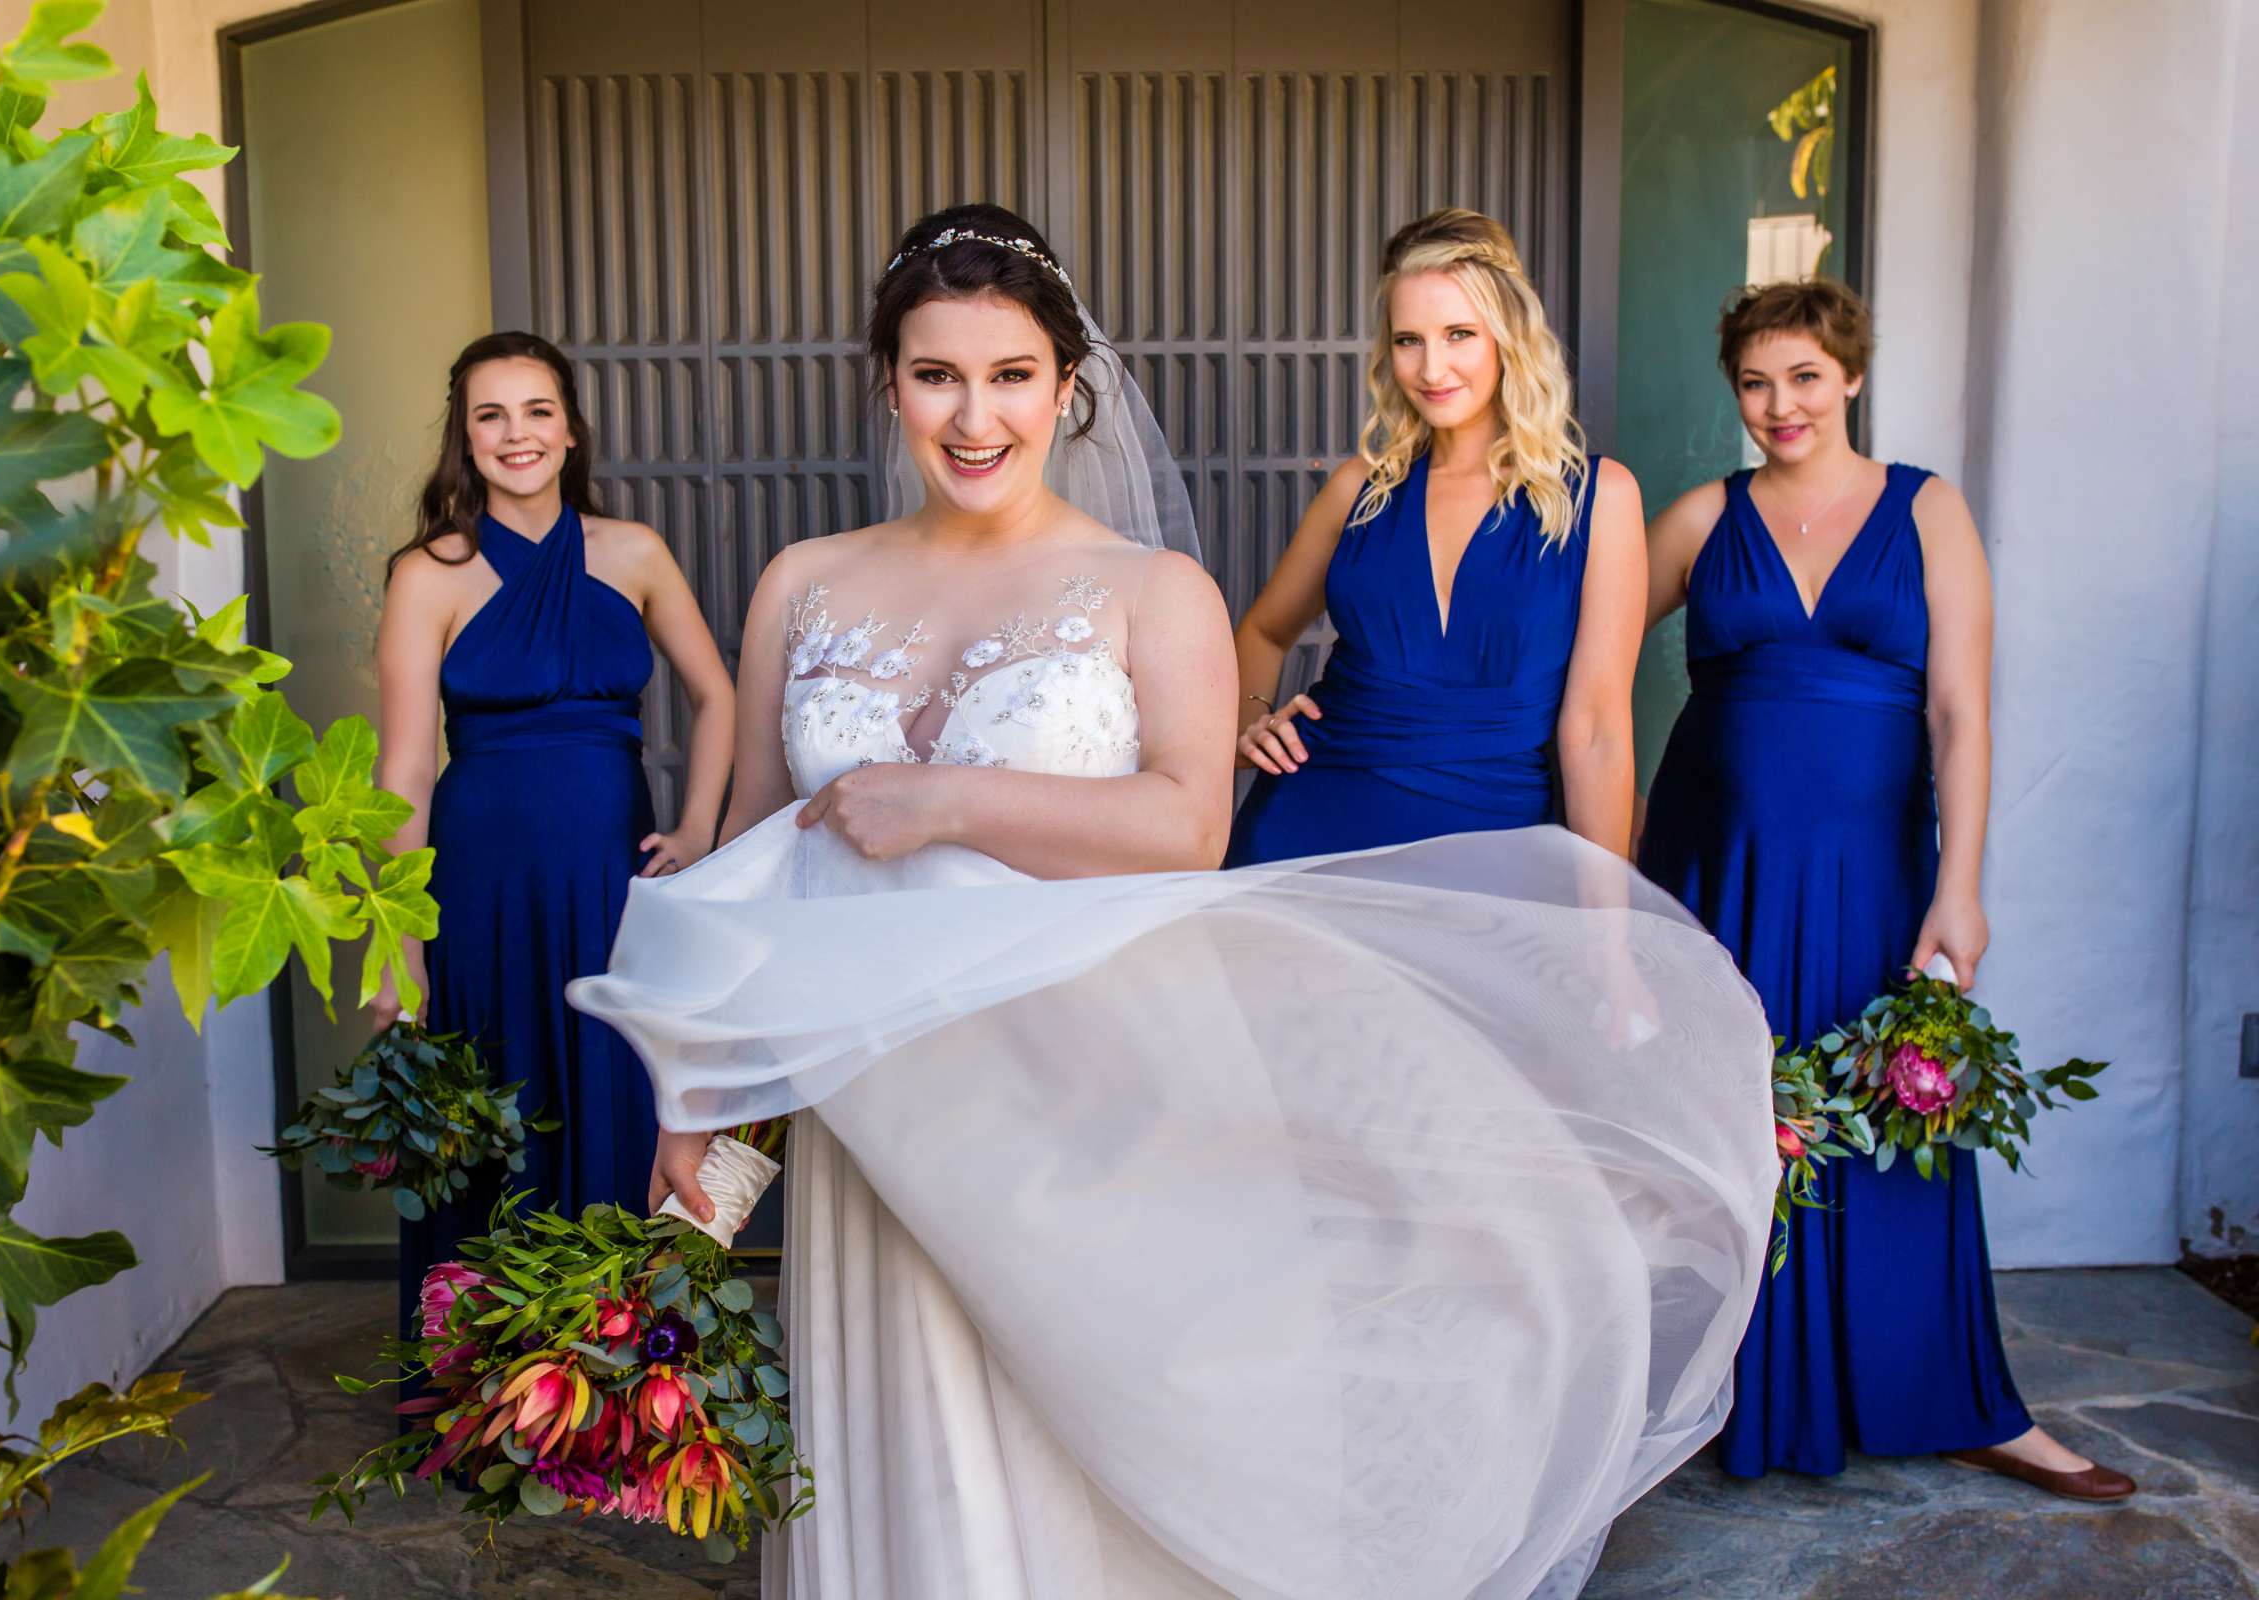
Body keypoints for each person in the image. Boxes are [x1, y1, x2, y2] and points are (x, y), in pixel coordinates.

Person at [569, 204, 1779, 1598]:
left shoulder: (1151, 587)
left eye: (1012, 375)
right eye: (937, 375)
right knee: (896, 1449)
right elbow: (764, 867)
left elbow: (1189, 827)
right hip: (870, 1118)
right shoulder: (802, 584)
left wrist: (944, 800)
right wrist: (704, 1091)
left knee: (1102, 1431)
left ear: (1068, 388)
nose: (975, 415)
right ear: (886, 383)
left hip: (1077, 1099)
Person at [1638, 279, 2133, 1500]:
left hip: (1874, 873)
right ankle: (1725, 1396)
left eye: (1803, 377)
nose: (1779, 405)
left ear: (1849, 376)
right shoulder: (1704, 516)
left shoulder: (1927, 511)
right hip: (1718, 866)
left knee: (1899, 1122)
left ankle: (1961, 1399)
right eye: (1755, 383)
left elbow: (1961, 711)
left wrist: (1959, 889)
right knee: (1733, 1125)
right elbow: (1579, 659)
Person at [373, 330, 734, 1350]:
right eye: (491, 414)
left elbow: (717, 696)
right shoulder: (425, 574)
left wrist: (700, 825)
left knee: (615, 1097)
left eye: (536, 410)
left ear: (570, 429)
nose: (516, 433)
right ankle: (489, 1393)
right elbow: (401, 772)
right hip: (478, 883)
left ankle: (603, 1386)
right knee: (493, 1112)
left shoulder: (636, 552)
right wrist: (398, 941)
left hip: (609, 876)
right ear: (466, 436)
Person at [1225, 209, 1641, 866]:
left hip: (1496, 848)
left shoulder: (1598, 498)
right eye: (1408, 340)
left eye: (1458, 334)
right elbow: (1263, 632)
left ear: (1508, 338)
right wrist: (1247, 721)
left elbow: (1597, 733)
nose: (1431, 368)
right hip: (1307, 829)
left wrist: (1605, 918)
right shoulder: (1360, 489)